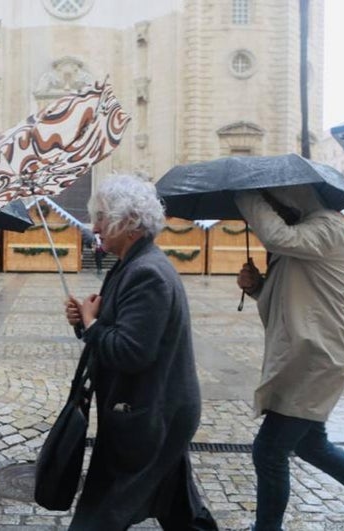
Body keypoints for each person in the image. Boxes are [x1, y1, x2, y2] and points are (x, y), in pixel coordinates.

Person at [64, 174, 218, 530]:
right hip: (157, 411)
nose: (95, 226)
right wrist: (85, 320)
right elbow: (120, 326)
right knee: (181, 509)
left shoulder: (146, 272)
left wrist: (91, 325)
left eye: (103, 216)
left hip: (150, 415)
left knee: (101, 514)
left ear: (129, 222)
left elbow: (130, 352)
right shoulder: (130, 263)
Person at [235, 185, 344, 531]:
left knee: (269, 450)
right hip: (307, 356)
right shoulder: (306, 233)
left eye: (276, 202)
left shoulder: (329, 227)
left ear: (295, 197)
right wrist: (258, 286)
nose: (274, 210)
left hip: (318, 360)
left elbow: (277, 236)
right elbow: (290, 297)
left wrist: (245, 196)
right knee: (311, 444)